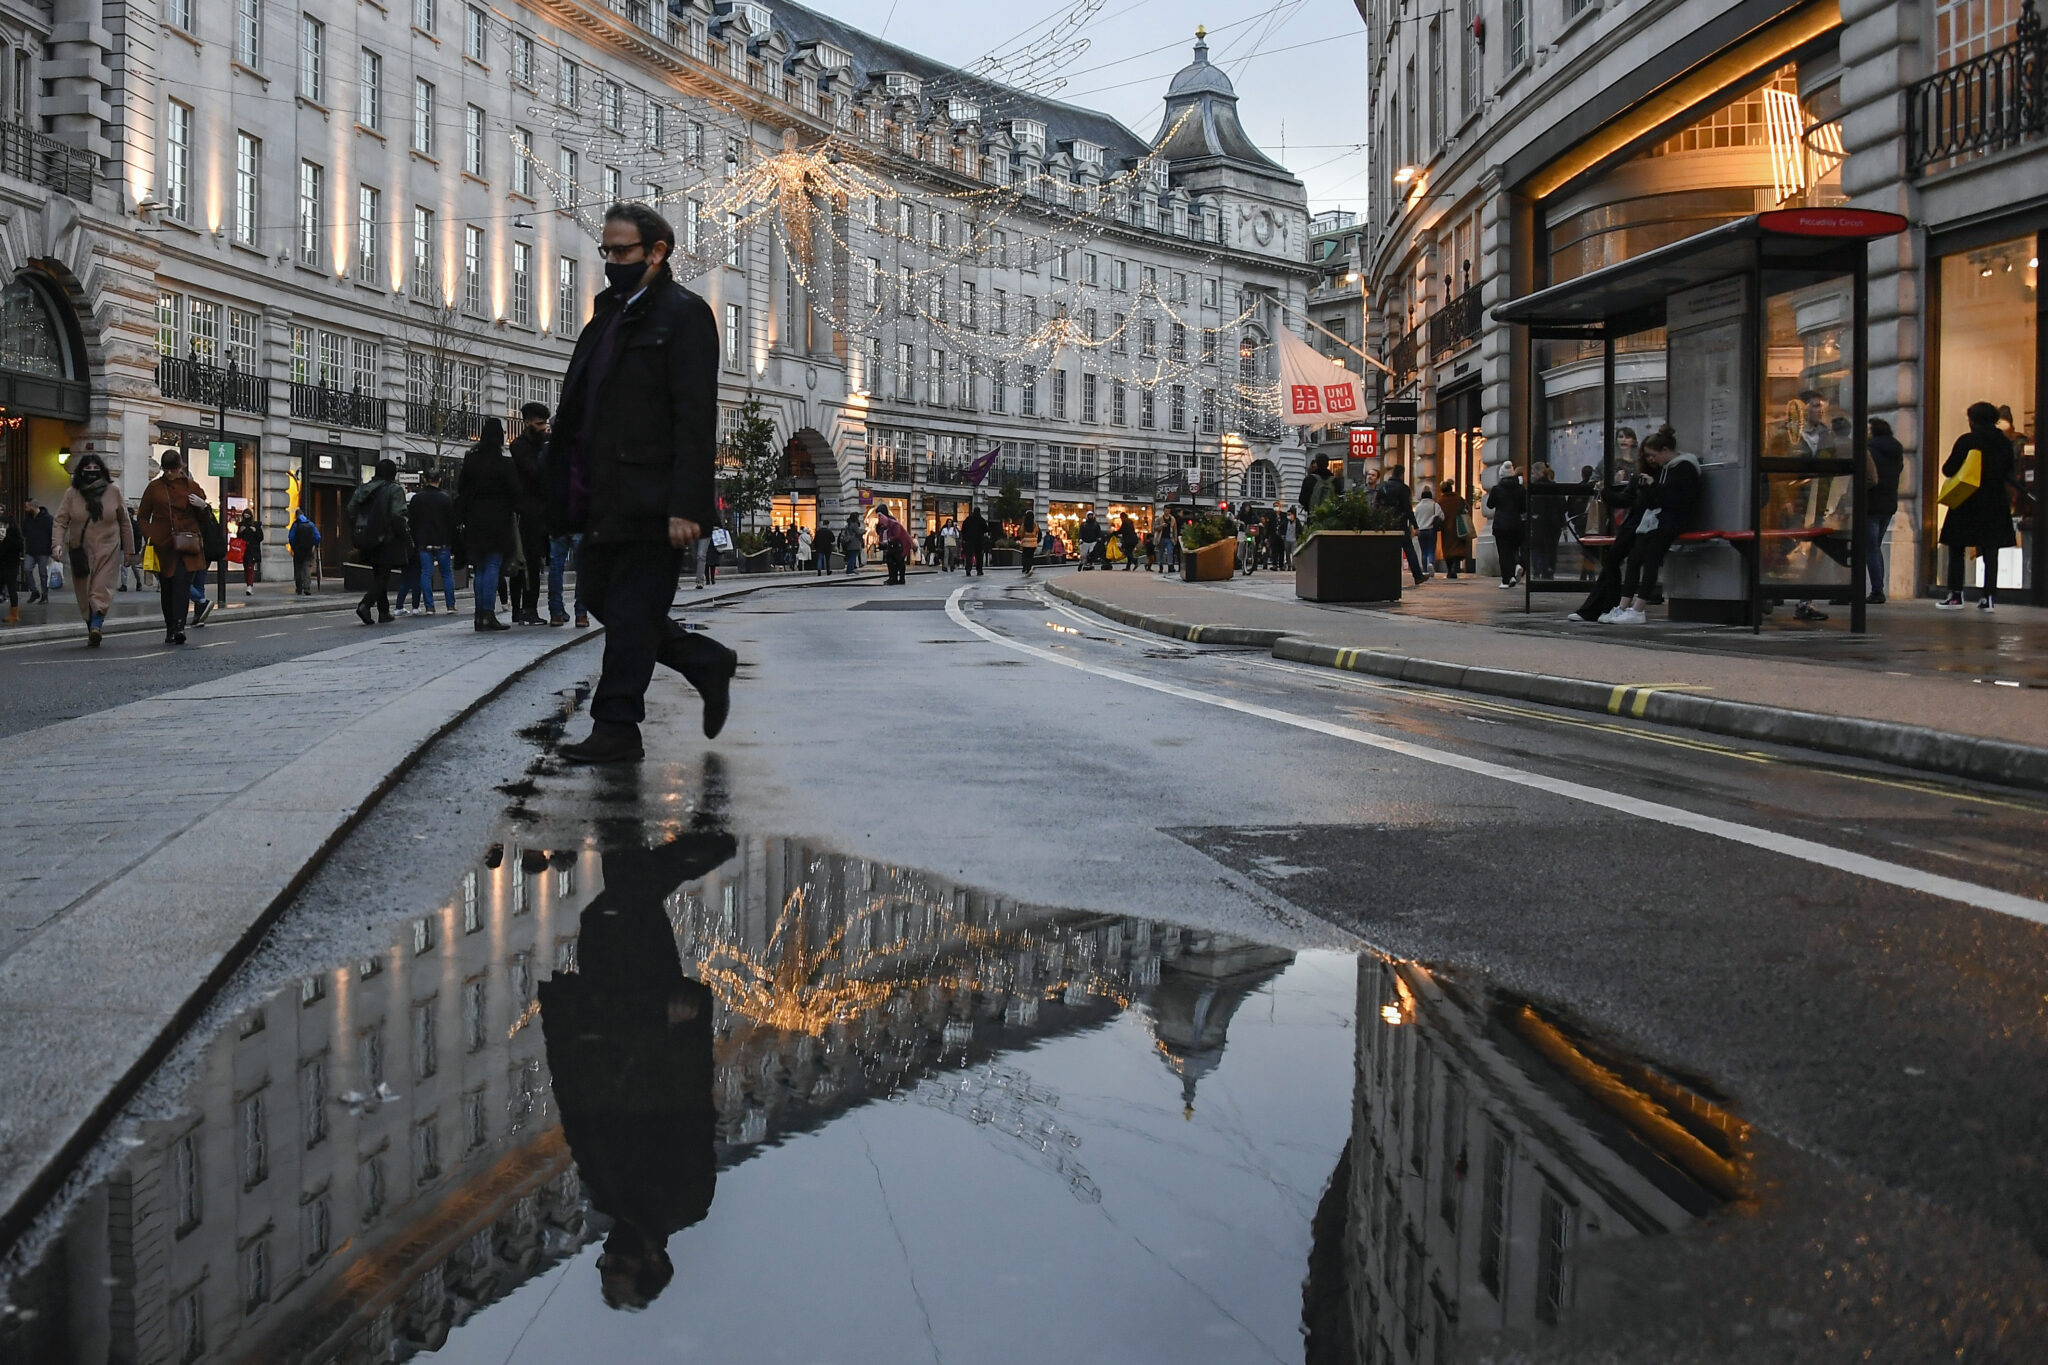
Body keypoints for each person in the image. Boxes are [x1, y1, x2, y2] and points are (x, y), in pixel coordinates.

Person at [543, 202, 737, 762]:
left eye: (621, 251)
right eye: (606, 250)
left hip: (654, 499)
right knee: (603, 598)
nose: (611, 261)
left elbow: (695, 416)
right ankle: (702, 660)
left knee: (630, 614)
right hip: (606, 496)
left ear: (657, 251)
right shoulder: (606, 318)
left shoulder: (684, 314)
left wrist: (688, 505)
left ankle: (616, 728)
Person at [540, 816, 731, 1314]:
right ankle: (697, 845)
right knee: (617, 910)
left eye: (604, 1269)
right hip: (650, 1020)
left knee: (611, 910)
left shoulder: (608, 1198)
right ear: (654, 1262)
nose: (607, 1260)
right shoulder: (686, 1201)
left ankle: (624, 809)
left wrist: (561, 1032)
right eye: (620, 1270)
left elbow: (576, 1114)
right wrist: (681, 1023)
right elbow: (690, 1109)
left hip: (601, 1023)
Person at [1571, 426, 1698, 625]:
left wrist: (1650, 487)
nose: (1650, 460)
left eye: (1652, 456)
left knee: (1639, 560)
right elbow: (1629, 498)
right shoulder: (1653, 472)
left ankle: (1625, 607)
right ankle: (1616, 607)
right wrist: (1607, 492)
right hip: (1643, 523)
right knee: (1624, 561)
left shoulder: (1674, 469)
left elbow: (1667, 499)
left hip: (1653, 522)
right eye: (1647, 456)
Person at [1936, 401, 2021, 611]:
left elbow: (1949, 468)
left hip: (1967, 500)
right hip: (1995, 501)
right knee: (1991, 550)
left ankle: (1956, 595)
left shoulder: (1968, 440)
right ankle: (1988, 597)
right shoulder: (2003, 442)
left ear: (1972, 420)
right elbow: (2009, 470)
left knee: (1957, 547)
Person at [48, 453, 133, 647]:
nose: (92, 473)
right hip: (81, 550)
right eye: (88, 470)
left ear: (102, 471)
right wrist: (57, 544)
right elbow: (60, 521)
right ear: (80, 472)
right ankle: (91, 627)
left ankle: (97, 625)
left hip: (108, 549)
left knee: (100, 589)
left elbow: (125, 522)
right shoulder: (72, 493)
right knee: (84, 593)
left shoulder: (113, 491)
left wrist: (129, 550)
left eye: (96, 469)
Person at [136, 449, 210, 644]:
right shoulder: (154, 488)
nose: (171, 473)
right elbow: (142, 515)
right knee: (167, 587)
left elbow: (205, 519)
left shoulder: (192, 486)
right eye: (167, 469)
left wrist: (202, 505)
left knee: (181, 585)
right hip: (164, 544)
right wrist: (150, 535)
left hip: (187, 544)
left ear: (181, 466)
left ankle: (179, 626)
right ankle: (170, 626)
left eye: (174, 468)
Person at [459, 417, 520, 631]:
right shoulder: (505, 464)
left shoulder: (470, 461)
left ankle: (479, 616)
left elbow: (462, 491)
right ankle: (488, 613)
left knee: (480, 567)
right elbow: (515, 493)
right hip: (498, 520)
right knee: (493, 565)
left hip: (475, 519)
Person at [345, 459, 410, 625]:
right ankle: (365, 605)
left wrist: (361, 527)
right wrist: (406, 537)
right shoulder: (394, 489)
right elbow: (397, 516)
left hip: (367, 537)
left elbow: (350, 510)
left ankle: (383, 611)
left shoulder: (363, 489)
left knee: (378, 574)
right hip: (387, 538)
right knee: (383, 576)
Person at [509, 401, 554, 625]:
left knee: (535, 561)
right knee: (527, 562)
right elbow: (535, 471)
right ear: (527, 423)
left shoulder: (542, 442)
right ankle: (525, 608)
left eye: (545, 423)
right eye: (539, 423)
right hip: (526, 511)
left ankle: (524, 608)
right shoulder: (519, 446)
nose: (544, 427)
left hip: (541, 509)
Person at [407, 471, 458, 615]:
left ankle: (429, 606)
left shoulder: (417, 499)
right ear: (439, 480)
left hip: (423, 541)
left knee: (426, 573)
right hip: (442, 540)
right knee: (447, 574)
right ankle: (450, 605)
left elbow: (412, 522)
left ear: (425, 479)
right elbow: (451, 522)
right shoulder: (445, 498)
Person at [1866, 418, 1905, 605]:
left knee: (1869, 548)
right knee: (1875, 547)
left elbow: (1867, 477)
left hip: (1870, 504)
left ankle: (1877, 590)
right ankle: (1877, 588)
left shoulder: (1870, 451)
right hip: (1888, 504)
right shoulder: (1896, 451)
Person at [1375, 464, 1428, 586]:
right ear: (1402, 474)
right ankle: (1417, 576)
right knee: (1409, 549)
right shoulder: (1403, 488)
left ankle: (1384, 575)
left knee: (1387, 550)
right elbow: (1407, 508)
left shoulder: (1383, 487)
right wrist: (1415, 525)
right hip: (1400, 522)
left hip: (1386, 522)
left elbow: (1377, 504)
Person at [1484, 463, 1527, 587]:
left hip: (1501, 525)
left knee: (1503, 552)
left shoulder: (1497, 489)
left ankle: (1506, 579)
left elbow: (1490, 505)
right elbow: (1524, 507)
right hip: (1516, 523)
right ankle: (1516, 566)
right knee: (1514, 549)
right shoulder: (1520, 489)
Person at [1529, 463, 1562, 581]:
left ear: (1538, 472)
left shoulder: (1536, 487)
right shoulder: (1554, 486)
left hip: (1539, 523)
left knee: (1538, 548)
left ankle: (1538, 571)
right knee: (1551, 548)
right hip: (1554, 524)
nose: (1532, 475)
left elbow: (1533, 506)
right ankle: (1549, 570)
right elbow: (1561, 505)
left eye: (1533, 473)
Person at [20, 497, 52, 603]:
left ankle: (45, 595)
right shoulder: (27, 519)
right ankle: (34, 591)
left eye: (27, 506)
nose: (25, 509)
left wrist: (52, 547)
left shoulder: (47, 519)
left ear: (33, 506)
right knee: (27, 569)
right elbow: (24, 532)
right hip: (31, 550)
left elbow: (52, 534)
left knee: (43, 573)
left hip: (43, 550)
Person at [1437, 479, 1470, 580]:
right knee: (1458, 548)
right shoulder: (1458, 499)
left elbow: (1438, 514)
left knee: (1447, 549)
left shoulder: (1441, 501)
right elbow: (1467, 508)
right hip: (1458, 527)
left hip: (1446, 529)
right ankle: (1455, 567)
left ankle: (1449, 569)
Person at [875, 507, 914, 584]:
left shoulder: (894, 523)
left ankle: (901, 578)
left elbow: (897, 535)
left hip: (901, 545)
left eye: (880, 515)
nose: (878, 518)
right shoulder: (883, 525)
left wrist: (887, 541)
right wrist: (881, 542)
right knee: (891, 561)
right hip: (893, 546)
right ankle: (893, 578)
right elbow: (881, 533)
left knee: (899, 561)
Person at [287, 508, 321, 595]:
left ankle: (299, 587)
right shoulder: (310, 524)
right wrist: (313, 545)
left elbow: (291, 537)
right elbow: (318, 537)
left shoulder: (295, 525)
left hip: (298, 550)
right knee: (307, 568)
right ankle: (307, 587)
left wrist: (294, 547)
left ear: (296, 516)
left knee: (298, 569)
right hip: (308, 550)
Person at [1412, 485, 1443, 576]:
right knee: (1431, 549)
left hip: (1421, 530)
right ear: (1430, 495)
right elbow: (1441, 516)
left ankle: (1425, 570)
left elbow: (1415, 518)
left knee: (1424, 551)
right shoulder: (1434, 505)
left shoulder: (1418, 506)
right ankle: (1431, 563)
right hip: (1431, 529)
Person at [235, 508, 264, 597]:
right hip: (244, 549)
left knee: (250, 567)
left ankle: (249, 585)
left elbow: (260, 538)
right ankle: (248, 584)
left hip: (252, 549)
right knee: (246, 567)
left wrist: (255, 531)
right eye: (245, 514)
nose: (246, 516)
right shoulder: (241, 525)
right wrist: (240, 531)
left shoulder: (256, 525)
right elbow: (238, 537)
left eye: (248, 514)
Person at [0, 504, 20, 624]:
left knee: (12, 588)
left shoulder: (12, 528)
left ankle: (14, 614)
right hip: (1, 563)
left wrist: (5, 538)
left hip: (11, 563)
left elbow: (19, 545)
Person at [961, 506, 988, 576]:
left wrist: (964, 539)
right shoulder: (981, 520)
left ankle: (968, 569)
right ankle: (979, 570)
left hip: (969, 541)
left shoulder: (968, 519)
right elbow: (986, 529)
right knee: (979, 557)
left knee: (969, 556)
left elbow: (963, 530)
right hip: (979, 541)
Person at [1019, 512, 1039, 578]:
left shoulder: (1024, 525)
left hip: (1025, 543)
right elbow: (1037, 532)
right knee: (1031, 556)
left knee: (1025, 556)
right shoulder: (1035, 524)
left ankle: (1025, 568)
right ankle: (1029, 568)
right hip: (1033, 543)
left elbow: (1021, 533)